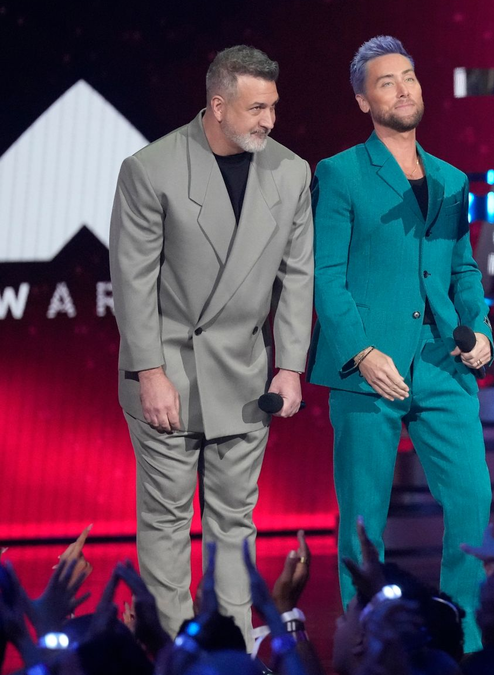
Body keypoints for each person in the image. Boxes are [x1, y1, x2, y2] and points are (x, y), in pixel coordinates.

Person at [108, 45, 313, 641]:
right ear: (217, 106)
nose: (268, 120)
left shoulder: (291, 171)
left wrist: (290, 366)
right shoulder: (152, 169)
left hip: (247, 376)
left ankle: (233, 650)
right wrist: (149, 371)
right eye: (255, 109)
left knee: (234, 525)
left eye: (273, 107)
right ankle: (176, 651)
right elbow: (133, 282)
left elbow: (297, 276)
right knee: (168, 522)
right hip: (169, 372)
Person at [307, 35, 493, 652]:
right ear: (363, 100)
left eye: (409, 76)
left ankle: (460, 635)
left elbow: (463, 269)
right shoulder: (338, 173)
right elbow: (325, 275)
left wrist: (481, 330)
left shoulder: (449, 179)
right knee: (365, 516)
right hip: (368, 368)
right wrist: (360, 350)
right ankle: (367, 637)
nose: (404, 88)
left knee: (471, 496)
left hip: (442, 361)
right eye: (387, 81)